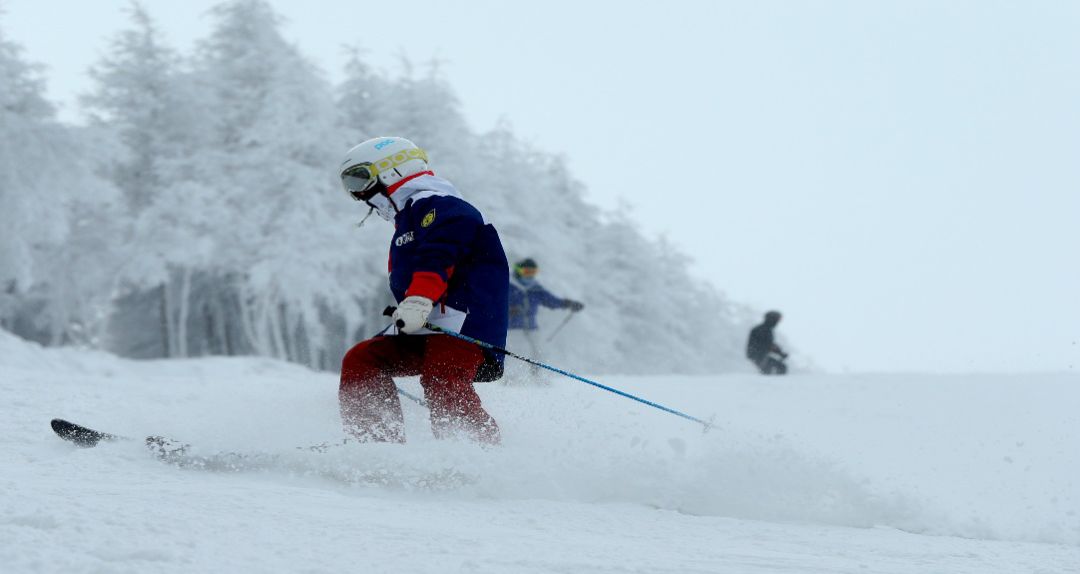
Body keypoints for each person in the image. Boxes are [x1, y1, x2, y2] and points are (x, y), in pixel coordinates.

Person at [337, 137, 508, 445]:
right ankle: (376, 447)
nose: (358, 193)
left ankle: (477, 456)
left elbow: (440, 255)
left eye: (360, 178)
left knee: (442, 375)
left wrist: (418, 299)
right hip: (428, 321)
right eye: (350, 184)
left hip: (465, 318)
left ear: (392, 170)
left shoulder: (442, 205)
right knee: (362, 360)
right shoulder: (408, 218)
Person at [508, 258, 584, 358]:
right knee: (516, 356)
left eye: (533, 272)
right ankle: (512, 373)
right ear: (518, 271)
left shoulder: (535, 289)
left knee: (538, 355)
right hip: (512, 329)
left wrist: (569, 304)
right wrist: (507, 311)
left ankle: (537, 374)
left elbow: (552, 301)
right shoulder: (508, 286)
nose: (529, 275)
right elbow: (496, 304)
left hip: (531, 328)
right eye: (526, 272)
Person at [746, 310, 788, 375]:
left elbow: (769, 344)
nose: (777, 323)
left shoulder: (765, 329)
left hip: (758, 355)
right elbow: (768, 344)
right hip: (758, 355)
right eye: (777, 320)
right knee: (780, 367)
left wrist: (779, 352)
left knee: (770, 369)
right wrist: (780, 353)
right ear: (772, 319)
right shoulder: (763, 330)